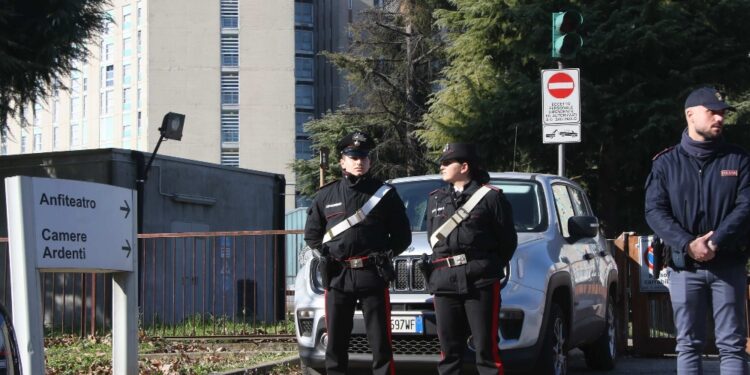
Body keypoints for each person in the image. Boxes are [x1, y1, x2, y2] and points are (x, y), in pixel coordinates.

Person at [645, 87, 750, 374]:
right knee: (688, 344)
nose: (720, 118)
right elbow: (655, 211)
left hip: (728, 265)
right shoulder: (666, 163)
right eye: (712, 112)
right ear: (690, 115)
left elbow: (746, 206)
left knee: (732, 345)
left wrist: (715, 241)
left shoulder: (738, 159)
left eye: (723, 113)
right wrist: (688, 244)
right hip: (684, 268)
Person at [304, 131, 412, 375]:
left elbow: (402, 236)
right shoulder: (326, 195)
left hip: (372, 273)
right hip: (338, 275)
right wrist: (325, 255)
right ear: (342, 161)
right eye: (353, 156)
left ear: (369, 161)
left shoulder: (384, 194)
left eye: (363, 156)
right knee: (336, 343)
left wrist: (386, 254)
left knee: (380, 341)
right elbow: (312, 234)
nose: (359, 161)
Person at [426, 143, 517, 375]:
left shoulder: (491, 198)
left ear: (464, 167)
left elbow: (507, 242)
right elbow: (433, 240)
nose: (442, 166)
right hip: (445, 282)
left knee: (486, 350)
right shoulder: (436, 199)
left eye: (448, 163)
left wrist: (483, 266)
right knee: (449, 352)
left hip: (480, 281)